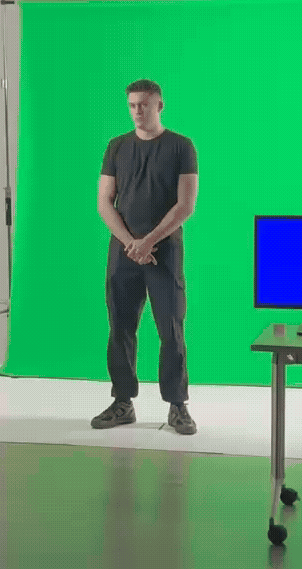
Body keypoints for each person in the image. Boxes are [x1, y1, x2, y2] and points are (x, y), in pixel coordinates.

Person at [91, 79, 200, 435]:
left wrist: (149, 241)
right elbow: (104, 201)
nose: (138, 111)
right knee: (120, 326)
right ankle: (123, 402)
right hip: (124, 252)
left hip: (164, 251)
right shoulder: (117, 146)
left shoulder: (181, 146)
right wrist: (131, 243)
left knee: (171, 328)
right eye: (133, 105)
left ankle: (177, 405)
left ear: (159, 105)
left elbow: (185, 205)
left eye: (144, 104)